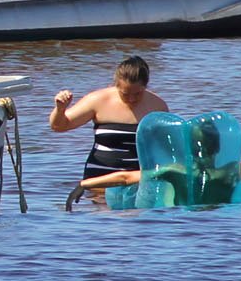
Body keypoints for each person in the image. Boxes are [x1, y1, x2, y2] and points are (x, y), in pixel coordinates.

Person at [49, 54, 170, 206]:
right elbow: (59, 126)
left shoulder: (158, 106)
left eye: (137, 94)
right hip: (98, 182)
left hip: (137, 182)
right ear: (116, 85)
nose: (131, 99)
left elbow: (164, 152)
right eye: (125, 94)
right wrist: (60, 109)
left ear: (145, 86)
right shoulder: (97, 100)